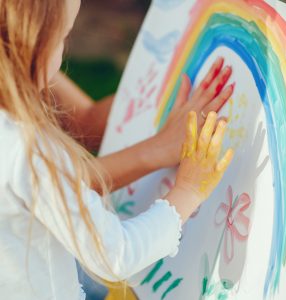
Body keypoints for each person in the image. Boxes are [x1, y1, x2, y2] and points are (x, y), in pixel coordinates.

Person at [0, 0, 235, 299]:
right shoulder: (29, 149)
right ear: (34, 44)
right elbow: (116, 255)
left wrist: (155, 146)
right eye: (64, 37)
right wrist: (188, 190)